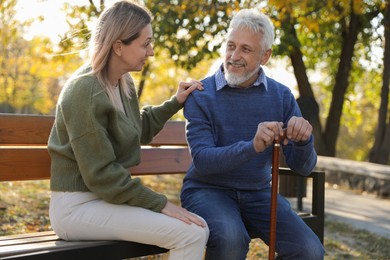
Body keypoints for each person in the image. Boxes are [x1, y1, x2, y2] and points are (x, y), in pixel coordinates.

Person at [47, 1, 208, 259]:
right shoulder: (84, 91)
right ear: (118, 46)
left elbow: (137, 130)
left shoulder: (123, 83)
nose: (151, 51)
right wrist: (161, 204)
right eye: (145, 43)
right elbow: (102, 175)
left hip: (105, 200)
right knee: (192, 233)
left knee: (194, 227)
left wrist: (175, 102)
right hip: (76, 208)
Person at [180, 8, 325, 260]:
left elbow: (303, 167)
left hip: (259, 193)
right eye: (231, 46)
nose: (234, 56)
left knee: (310, 252)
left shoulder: (281, 96)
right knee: (231, 240)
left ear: (265, 56)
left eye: (246, 49)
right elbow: (203, 161)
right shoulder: (201, 95)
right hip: (207, 191)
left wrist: (304, 140)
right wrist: (252, 146)